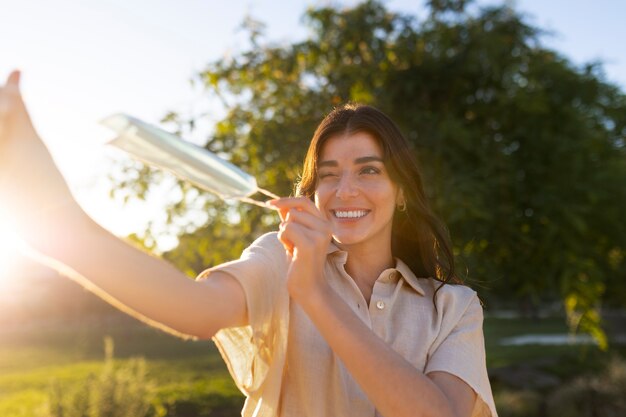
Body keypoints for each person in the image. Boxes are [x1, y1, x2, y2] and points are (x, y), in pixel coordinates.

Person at [0, 71, 498, 417]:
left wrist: (317, 297)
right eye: (329, 176)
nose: (346, 190)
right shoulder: (279, 257)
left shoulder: (453, 308)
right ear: (313, 191)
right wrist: (54, 220)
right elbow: (193, 310)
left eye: (368, 171)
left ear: (403, 190)